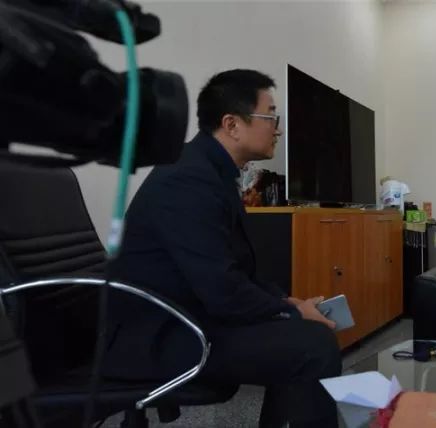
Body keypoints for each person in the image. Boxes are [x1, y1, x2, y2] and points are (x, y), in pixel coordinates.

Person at [102, 70, 340, 427]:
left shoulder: (212, 171)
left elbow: (236, 269)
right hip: (155, 336)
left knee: (303, 336)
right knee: (313, 346)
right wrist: (289, 312)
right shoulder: (188, 179)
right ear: (232, 125)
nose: (278, 129)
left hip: (189, 315)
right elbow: (222, 290)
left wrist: (285, 301)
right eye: (271, 117)